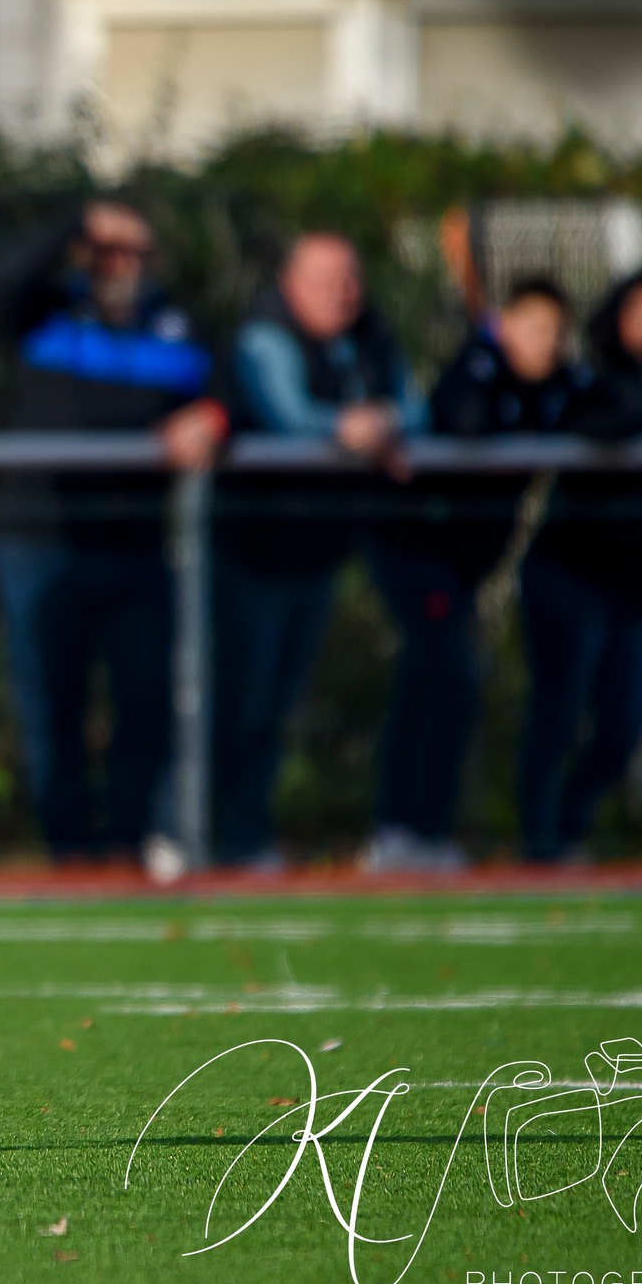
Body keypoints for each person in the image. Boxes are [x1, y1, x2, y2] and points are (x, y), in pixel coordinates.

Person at [0, 197, 222, 863]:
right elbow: (2, 284)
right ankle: (71, 855)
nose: (121, 264)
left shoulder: (178, 326)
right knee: (52, 711)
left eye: (134, 251)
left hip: (136, 547)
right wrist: (77, 225)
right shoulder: (46, 313)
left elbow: (232, 389)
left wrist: (213, 418)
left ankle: (124, 850)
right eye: (106, 251)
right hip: (43, 541)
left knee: (144, 704)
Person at [214, 233, 421, 869]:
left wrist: (384, 423)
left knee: (277, 709)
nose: (341, 293)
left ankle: (247, 840)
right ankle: (205, 837)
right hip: (250, 555)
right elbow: (286, 416)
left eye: (349, 278)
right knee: (236, 706)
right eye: (324, 279)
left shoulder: (370, 338)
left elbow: (414, 408)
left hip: (317, 554)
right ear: (289, 282)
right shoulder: (265, 337)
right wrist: (348, 428)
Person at [362, 276, 582, 873]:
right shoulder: (477, 368)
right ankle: (412, 828)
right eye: (532, 328)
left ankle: (406, 829)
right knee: (452, 677)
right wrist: (491, 359)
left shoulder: (558, 383)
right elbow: (464, 420)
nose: (545, 343)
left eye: (554, 333)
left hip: (464, 567)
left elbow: (604, 410)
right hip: (417, 551)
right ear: (503, 323)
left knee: (427, 680)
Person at [519, 269, 642, 860]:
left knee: (625, 724)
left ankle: (572, 821)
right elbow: (585, 428)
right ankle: (541, 838)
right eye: (639, 315)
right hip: (575, 575)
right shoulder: (587, 379)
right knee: (559, 712)